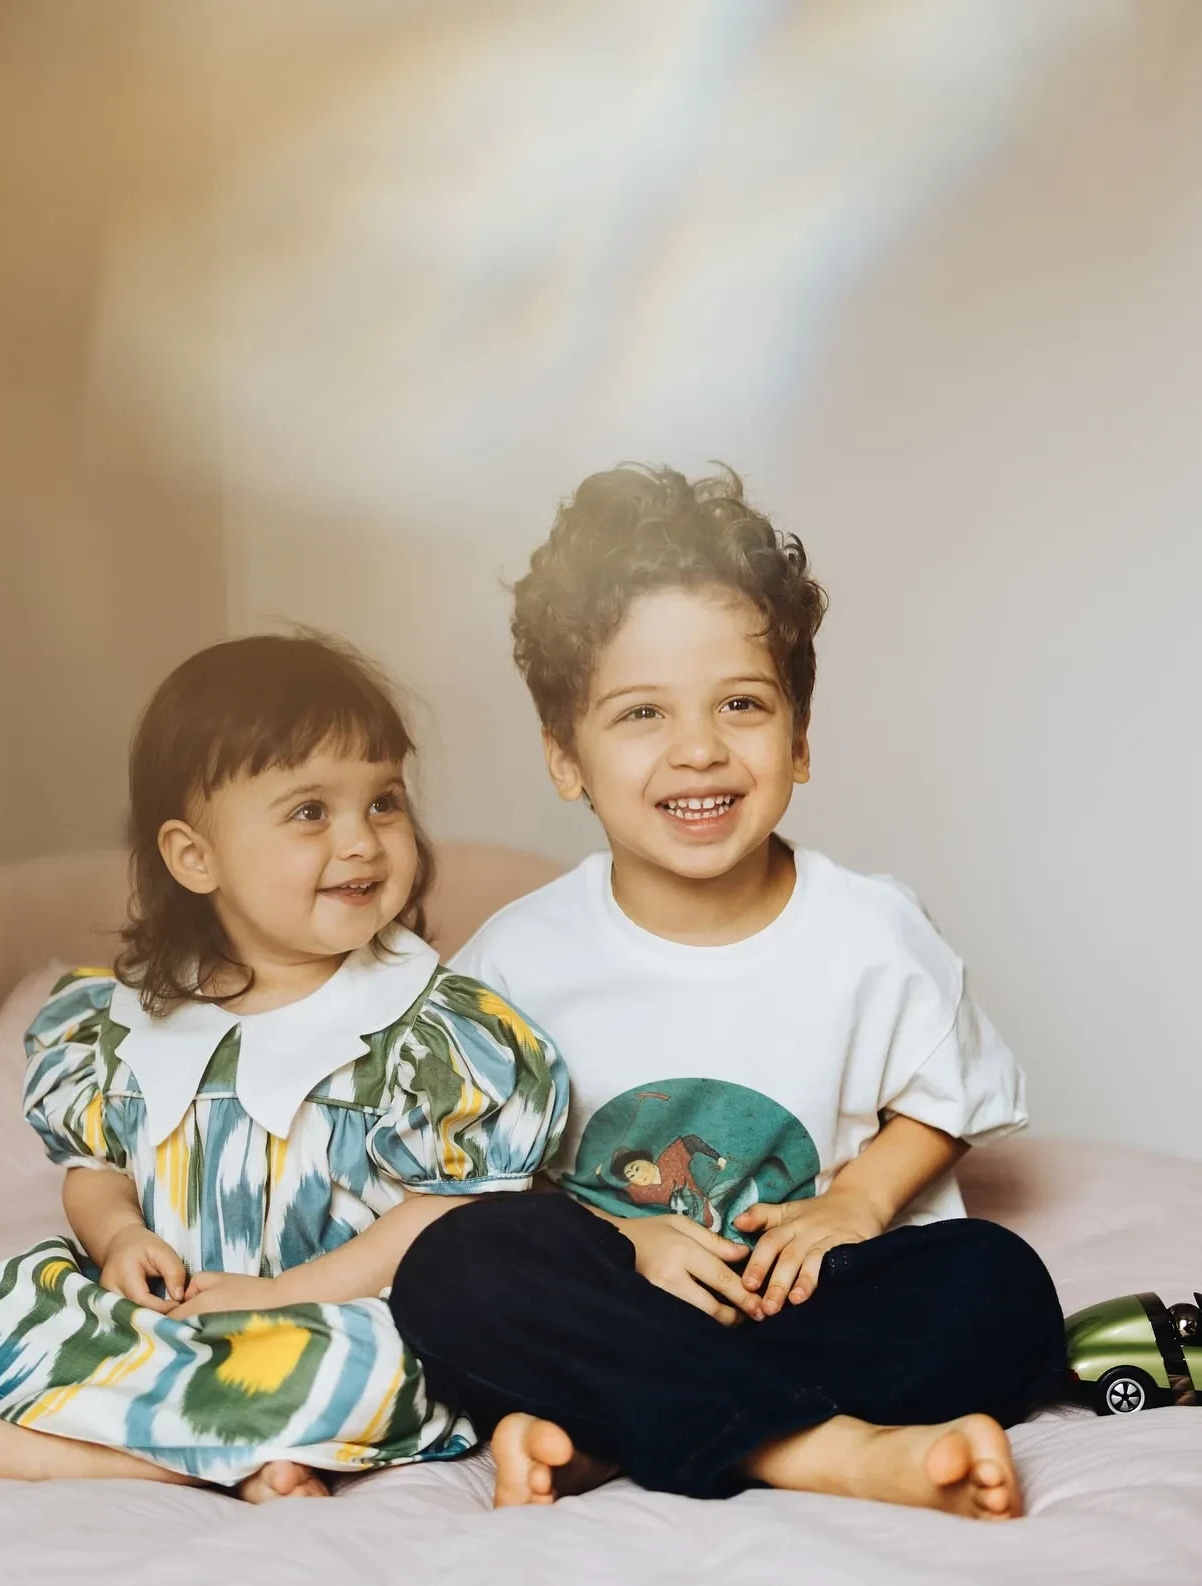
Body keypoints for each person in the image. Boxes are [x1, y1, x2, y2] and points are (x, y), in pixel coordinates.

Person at [389, 465, 1066, 1520]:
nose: (699, 749)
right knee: (452, 1265)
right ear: (566, 758)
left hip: (804, 1301)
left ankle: (620, 1429)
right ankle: (820, 1448)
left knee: (1000, 1287)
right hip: (621, 1303)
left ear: (799, 737)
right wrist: (628, 1244)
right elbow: (474, 1178)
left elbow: (949, 1094)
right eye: (641, 713)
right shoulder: (514, 962)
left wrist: (856, 1201)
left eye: (741, 704)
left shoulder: (871, 929)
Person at [0, 632, 566, 1502]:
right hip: (182, 1309)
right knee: (22, 1301)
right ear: (194, 857)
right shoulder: (126, 1021)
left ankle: (92, 1455)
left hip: (335, 1310)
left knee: (378, 1369)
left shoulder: (429, 1030)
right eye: (311, 812)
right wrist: (120, 1240)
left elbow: (451, 1212)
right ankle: (246, 1456)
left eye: (384, 802)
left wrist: (281, 1296)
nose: (362, 841)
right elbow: (96, 1171)